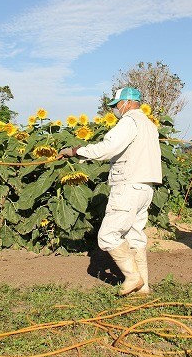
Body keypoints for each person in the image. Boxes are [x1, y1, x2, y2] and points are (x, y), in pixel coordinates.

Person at [59, 87, 162, 296]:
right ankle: (143, 288)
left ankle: (133, 277)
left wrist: (77, 151)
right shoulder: (149, 125)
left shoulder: (129, 122)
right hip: (146, 187)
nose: (115, 109)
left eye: (116, 105)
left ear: (126, 102)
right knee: (135, 235)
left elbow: (108, 148)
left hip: (127, 185)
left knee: (108, 236)